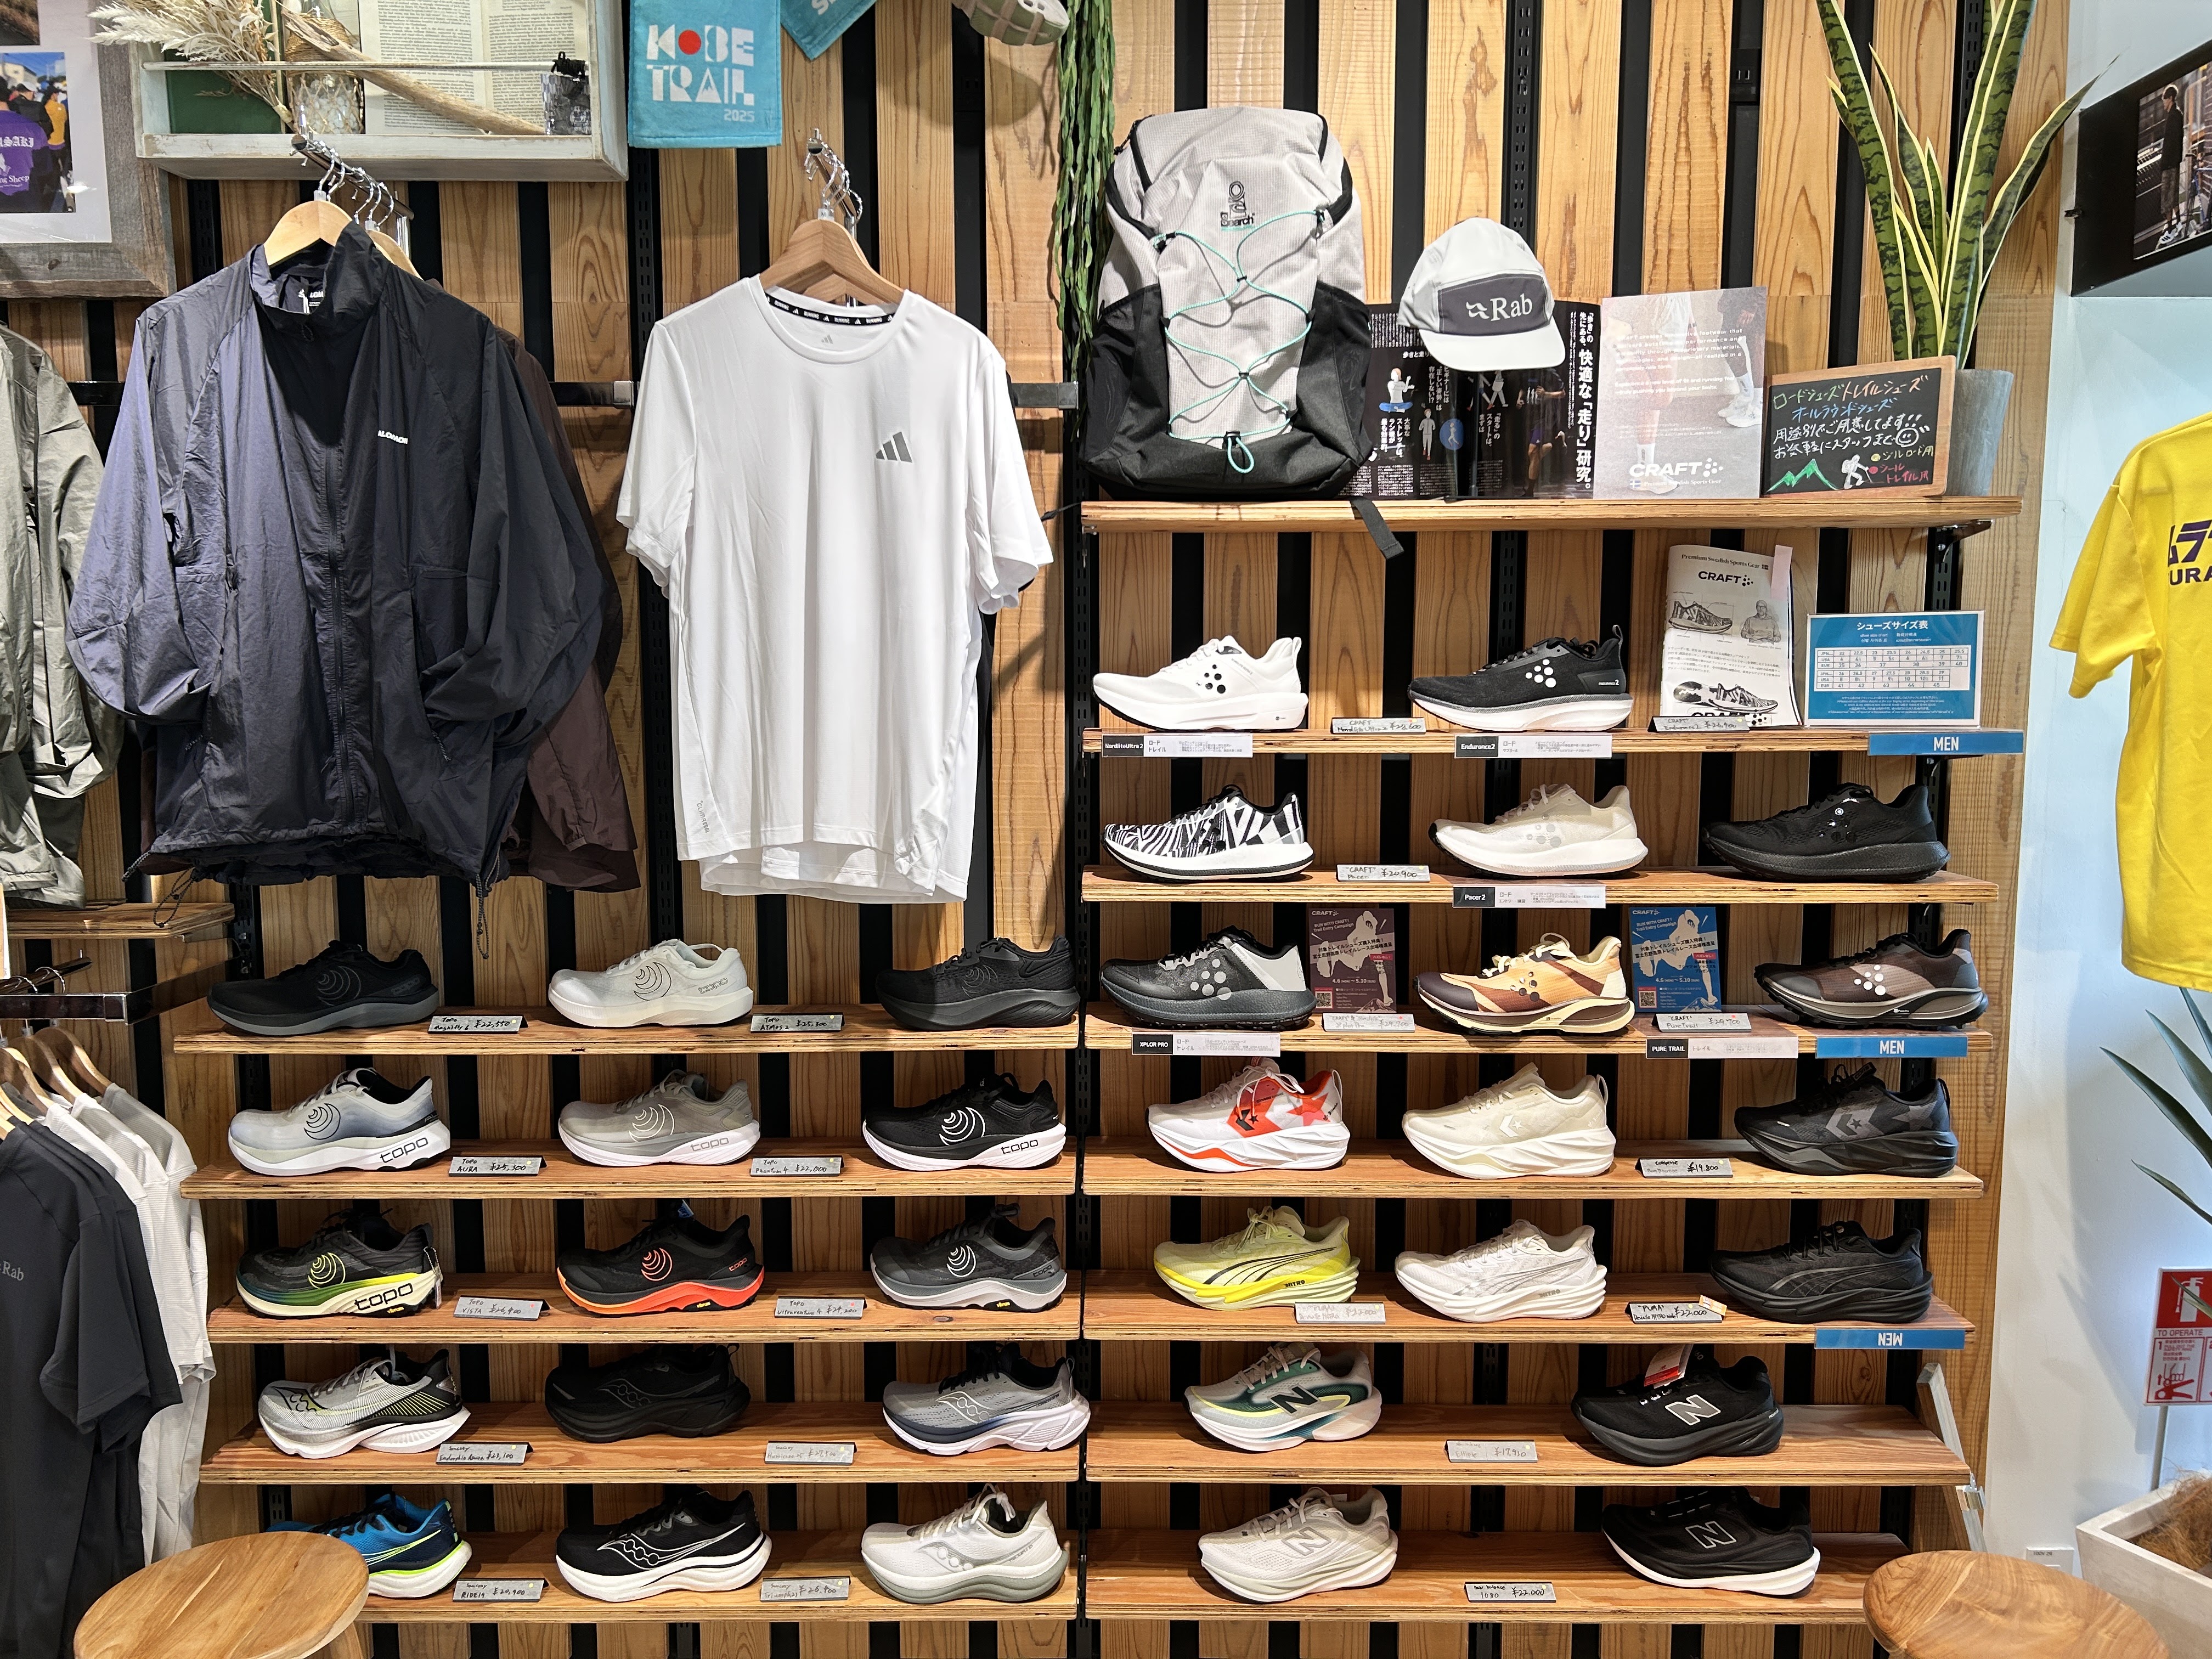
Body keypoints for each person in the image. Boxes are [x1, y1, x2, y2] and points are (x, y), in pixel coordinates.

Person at [2159, 83, 2186, 247]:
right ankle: (2178, 223)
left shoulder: (2174, 116)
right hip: (2172, 162)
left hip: (2170, 164)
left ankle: (2170, 229)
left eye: (2164, 99)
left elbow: (2173, 143)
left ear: (2170, 99)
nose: (2163, 102)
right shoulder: (2175, 114)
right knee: (2173, 196)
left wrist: (2167, 163)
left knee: (2167, 198)